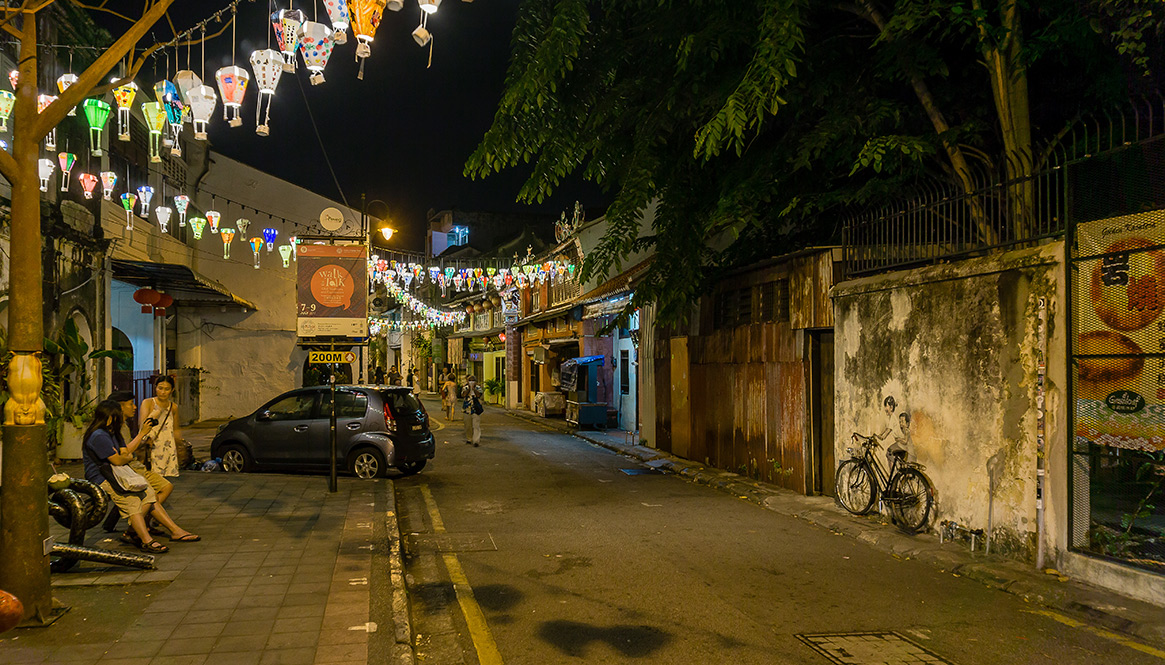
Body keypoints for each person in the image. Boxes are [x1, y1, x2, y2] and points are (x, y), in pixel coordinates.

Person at [82, 400, 199, 553]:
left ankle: (169, 530)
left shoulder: (113, 432)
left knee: (149, 493)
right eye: (119, 416)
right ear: (110, 418)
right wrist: (127, 457)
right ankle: (146, 540)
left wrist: (125, 456)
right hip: (103, 477)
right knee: (132, 501)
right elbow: (119, 459)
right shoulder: (98, 436)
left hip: (120, 473)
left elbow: (123, 452)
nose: (123, 418)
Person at [102, 390, 173, 534]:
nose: (134, 407)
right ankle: (137, 527)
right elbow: (124, 452)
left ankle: (143, 523)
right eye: (130, 404)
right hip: (129, 469)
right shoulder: (116, 428)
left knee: (166, 486)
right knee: (150, 495)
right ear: (120, 407)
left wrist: (144, 438)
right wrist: (142, 433)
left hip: (135, 466)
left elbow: (130, 447)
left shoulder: (124, 425)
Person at [139, 375, 184, 477]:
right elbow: (142, 424)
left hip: (168, 447)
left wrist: (180, 445)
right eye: (160, 388)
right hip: (152, 446)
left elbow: (175, 429)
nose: (163, 392)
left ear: (172, 390)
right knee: (152, 476)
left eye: (167, 389)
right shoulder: (148, 403)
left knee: (167, 479)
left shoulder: (173, 407)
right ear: (155, 388)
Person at [462, 374, 484, 446]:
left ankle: (476, 440)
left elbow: (479, 395)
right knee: (468, 425)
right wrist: (469, 388)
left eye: (473, 380)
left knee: (476, 425)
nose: (471, 382)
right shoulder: (465, 388)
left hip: (475, 409)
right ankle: (469, 438)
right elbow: (463, 395)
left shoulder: (478, 388)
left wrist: (474, 389)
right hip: (467, 409)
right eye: (470, 380)